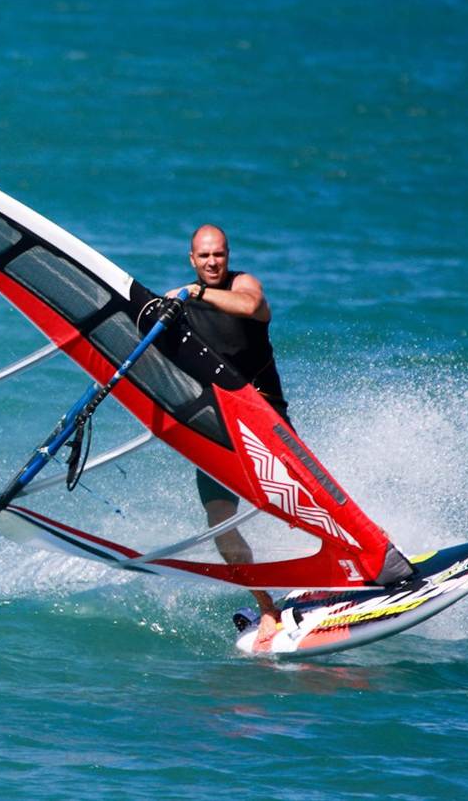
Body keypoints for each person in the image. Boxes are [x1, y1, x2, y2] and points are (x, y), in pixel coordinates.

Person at [165, 224, 289, 646]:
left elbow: (248, 304)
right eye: (204, 256)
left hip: (263, 415)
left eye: (218, 254)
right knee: (220, 523)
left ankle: (364, 560)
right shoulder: (181, 305)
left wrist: (192, 294)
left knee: (294, 503)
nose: (212, 262)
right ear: (192, 260)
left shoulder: (242, 285)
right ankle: (266, 607)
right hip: (216, 427)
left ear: (227, 255)